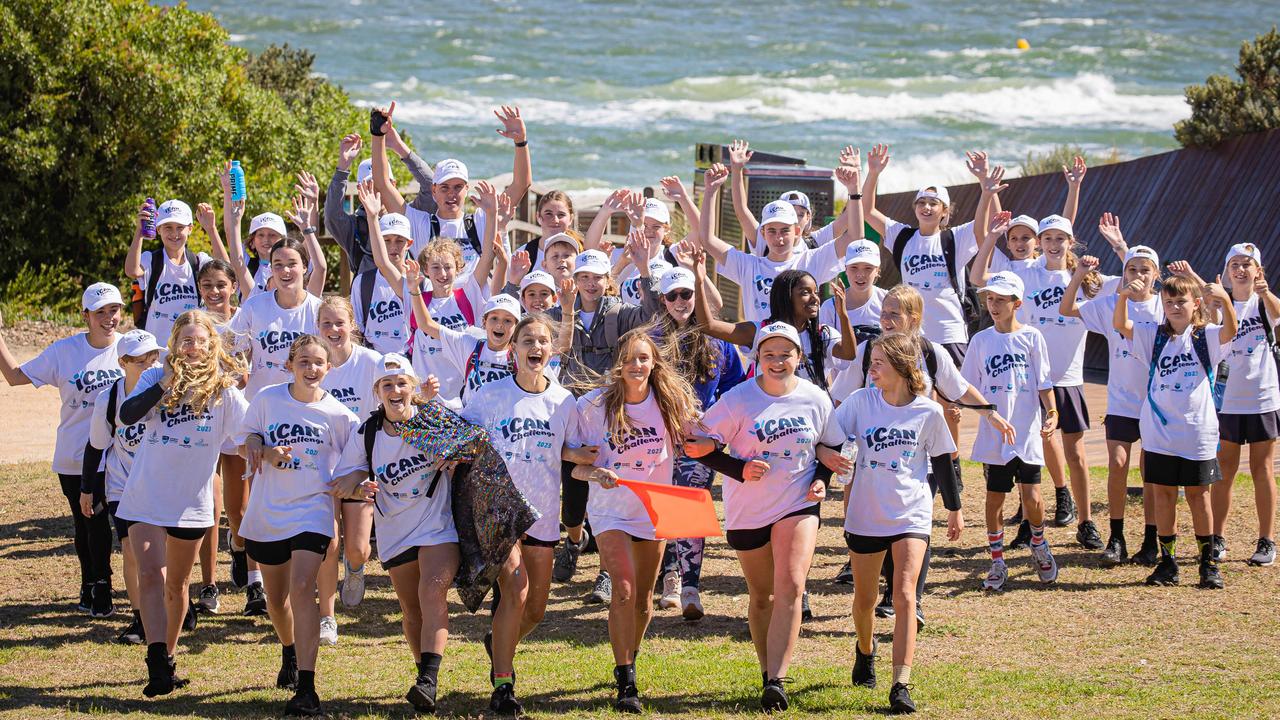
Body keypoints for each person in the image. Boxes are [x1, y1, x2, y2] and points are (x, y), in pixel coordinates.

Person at [828, 284, 1014, 623]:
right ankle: (888, 587)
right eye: (883, 313)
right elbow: (840, 397)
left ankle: (909, 599)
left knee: (916, 525)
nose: (885, 320)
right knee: (880, 525)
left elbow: (959, 388)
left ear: (914, 318)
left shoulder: (931, 352)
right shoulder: (869, 350)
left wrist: (990, 411)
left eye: (894, 314)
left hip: (919, 457)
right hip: (873, 456)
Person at [686, 322, 835, 712]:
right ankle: (767, 670)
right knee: (762, 596)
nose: (777, 361)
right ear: (757, 359)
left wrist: (822, 479)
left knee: (791, 585)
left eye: (786, 354)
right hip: (748, 508)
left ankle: (778, 680)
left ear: (798, 358)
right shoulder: (738, 400)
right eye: (769, 354)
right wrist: (738, 469)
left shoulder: (816, 398)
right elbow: (696, 445)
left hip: (797, 502)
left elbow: (829, 445)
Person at [819, 333, 964, 715]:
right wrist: (828, 468)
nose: (872, 366)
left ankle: (901, 683)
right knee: (864, 600)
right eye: (873, 360)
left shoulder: (928, 412)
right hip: (866, 513)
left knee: (904, 596)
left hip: (911, 514)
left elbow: (945, 461)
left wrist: (954, 508)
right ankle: (865, 650)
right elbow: (829, 440)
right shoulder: (859, 402)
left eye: (880, 361)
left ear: (902, 365)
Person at [114, 310, 248, 697]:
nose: (192, 348)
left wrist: (270, 451)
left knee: (177, 584)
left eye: (199, 341)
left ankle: (169, 656)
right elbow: (126, 416)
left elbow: (245, 435)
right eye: (185, 341)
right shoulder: (156, 377)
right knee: (151, 575)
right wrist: (164, 385)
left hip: (191, 501)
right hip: (146, 494)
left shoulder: (224, 389)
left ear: (211, 344)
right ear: (175, 343)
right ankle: (156, 662)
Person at [461, 315, 589, 714]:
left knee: (534, 609)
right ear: (513, 348)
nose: (536, 347)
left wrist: (591, 465)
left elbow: (569, 452)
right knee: (514, 590)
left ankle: (499, 643)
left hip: (544, 515)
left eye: (543, 341)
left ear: (553, 349)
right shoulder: (488, 395)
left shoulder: (563, 401)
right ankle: (503, 686)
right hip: (501, 514)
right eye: (527, 340)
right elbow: (466, 444)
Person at [571, 329, 702, 713]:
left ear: (654, 363)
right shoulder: (594, 406)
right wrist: (596, 474)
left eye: (643, 358)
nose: (637, 365)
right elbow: (576, 468)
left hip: (652, 509)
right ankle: (626, 678)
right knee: (624, 590)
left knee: (644, 598)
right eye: (629, 358)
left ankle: (631, 649)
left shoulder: (668, 403)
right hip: (610, 510)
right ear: (618, 363)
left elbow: (704, 438)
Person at [331, 354, 458, 715]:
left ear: (413, 388)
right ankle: (425, 679)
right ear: (377, 392)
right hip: (394, 531)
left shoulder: (433, 419)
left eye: (402, 383)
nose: (396, 390)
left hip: (437, 526)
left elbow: (470, 444)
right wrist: (361, 486)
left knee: (432, 591)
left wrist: (456, 456)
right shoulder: (367, 432)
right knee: (411, 610)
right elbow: (343, 481)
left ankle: (428, 679)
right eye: (388, 384)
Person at [239, 334, 358, 716]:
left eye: (318, 362)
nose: (311, 368)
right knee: (277, 600)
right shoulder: (268, 399)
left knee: (303, 586)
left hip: (313, 511)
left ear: (329, 367)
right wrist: (262, 448)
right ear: (290, 364)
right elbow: (245, 439)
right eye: (303, 361)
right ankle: (289, 649)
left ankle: (306, 687)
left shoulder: (340, 415)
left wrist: (355, 480)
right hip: (268, 512)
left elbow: (359, 458)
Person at [547, 236, 664, 597]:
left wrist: (644, 268)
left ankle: (605, 573)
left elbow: (652, 317)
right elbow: (555, 348)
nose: (590, 284)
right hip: (572, 410)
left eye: (597, 277)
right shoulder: (559, 310)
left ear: (607, 279)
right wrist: (566, 311)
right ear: (575, 278)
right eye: (584, 277)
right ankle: (573, 539)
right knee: (573, 492)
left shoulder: (619, 312)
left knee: (607, 486)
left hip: (611, 410)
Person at [0, 282, 123, 615]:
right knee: (85, 523)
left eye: (114, 310)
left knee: (105, 522)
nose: (109, 318)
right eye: (100, 312)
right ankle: (92, 584)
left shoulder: (132, 347)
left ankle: (102, 585)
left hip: (121, 457)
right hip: (76, 456)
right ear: (85, 315)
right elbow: (14, 377)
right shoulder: (64, 352)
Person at [1114, 272, 1237, 587]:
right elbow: (1121, 326)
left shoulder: (1204, 335)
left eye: (1181, 301)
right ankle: (1167, 563)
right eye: (1168, 302)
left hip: (1196, 433)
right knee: (1163, 495)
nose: (1174, 307)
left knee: (1199, 496)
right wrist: (1124, 297)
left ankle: (1207, 565)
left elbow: (1230, 331)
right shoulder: (1154, 336)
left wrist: (1223, 299)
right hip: (1159, 434)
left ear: (1195, 303)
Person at [1062, 226, 1163, 565]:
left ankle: (1151, 539)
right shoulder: (1109, 304)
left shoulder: (1165, 307)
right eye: (1132, 269)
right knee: (1118, 464)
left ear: (1156, 275)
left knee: (1150, 470)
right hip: (1120, 400)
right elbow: (1067, 309)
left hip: (1156, 403)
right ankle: (1116, 537)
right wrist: (1078, 276)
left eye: (1145, 270)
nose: (1137, 275)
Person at [654, 260, 747, 619]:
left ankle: (689, 585)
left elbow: (734, 387)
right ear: (663, 299)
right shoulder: (652, 341)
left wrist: (713, 423)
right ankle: (670, 577)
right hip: (660, 439)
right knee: (666, 505)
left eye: (687, 294)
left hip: (702, 439)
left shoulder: (717, 342)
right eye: (673, 295)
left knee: (690, 503)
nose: (681, 301)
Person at [960, 272, 1059, 591]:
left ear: (1017, 303)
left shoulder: (1032, 337)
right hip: (995, 436)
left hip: (1026, 433)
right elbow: (967, 386)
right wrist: (961, 406)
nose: (994, 305)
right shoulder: (980, 340)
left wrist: (1052, 412)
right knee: (994, 499)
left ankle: (1039, 544)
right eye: (990, 298)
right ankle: (997, 560)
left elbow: (1044, 383)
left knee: (1032, 497)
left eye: (1001, 299)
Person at [371, 101, 530, 287]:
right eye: (445, 188)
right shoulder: (419, 224)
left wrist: (521, 141)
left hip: (475, 312)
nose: (451, 194)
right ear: (434, 190)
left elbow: (521, 184)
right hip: (431, 312)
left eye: (458, 187)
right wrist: (378, 134)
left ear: (467, 190)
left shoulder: (482, 221)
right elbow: (382, 183)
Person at [696, 160, 858, 324]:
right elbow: (708, 239)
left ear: (796, 231)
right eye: (772, 231)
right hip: (760, 348)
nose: (779, 238)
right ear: (763, 234)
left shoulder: (811, 259)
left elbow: (854, 237)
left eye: (785, 230)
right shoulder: (748, 265)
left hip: (801, 349)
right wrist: (710, 190)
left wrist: (854, 189)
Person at [80, 329, 161, 642]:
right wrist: (88, 489)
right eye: (139, 361)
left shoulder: (167, 392)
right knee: (131, 550)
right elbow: (96, 446)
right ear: (123, 362)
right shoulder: (110, 398)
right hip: (122, 485)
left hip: (159, 485)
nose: (148, 366)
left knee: (162, 552)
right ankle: (140, 619)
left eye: (153, 358)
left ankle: (170, 604)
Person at [191, 258, 262, 614]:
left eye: (221, 284)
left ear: (233, 286)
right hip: (200, 423)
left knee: (238, 509)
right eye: (207, 286)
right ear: (199, 289)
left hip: (234, 420)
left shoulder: (244, 321)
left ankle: (247, 566)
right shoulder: (192, 323)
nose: (215, 292)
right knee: (208, 507)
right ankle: (208, 586)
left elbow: (245, 375)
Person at [314, 296, 384, 643]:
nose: (333, 330)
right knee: (328, 543)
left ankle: (354, 569)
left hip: (360, 467)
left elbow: (395, 395)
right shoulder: (315, 364)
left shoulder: (371, 361)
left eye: (339, 323)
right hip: (323, 468)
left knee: (357, 548)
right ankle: (327, 617)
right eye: (326, 323)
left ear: (352, 325)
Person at [1211, 243, 1280, 566]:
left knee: (1262, 469)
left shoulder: (1263, 303)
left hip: (1263, 397)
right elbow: (1208, 327)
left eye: (1247, 264)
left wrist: (1266, 294)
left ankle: (1266, 540)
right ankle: (1217, 538)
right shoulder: (1221, 304)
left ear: (1258, 271)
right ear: (1226, 272)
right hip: (1228, 400)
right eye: (1234, 264)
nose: (1240, 269)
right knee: (1224, 471)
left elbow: (1278, 315)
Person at [225, 236, 326, 400]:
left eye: (292, 264)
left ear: (304, 267)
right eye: (278, 265)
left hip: (305, 404)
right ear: (271, 269)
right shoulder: (253, 306)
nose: (285, 271)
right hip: (260, 403)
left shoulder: (318, 309)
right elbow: (237, 355)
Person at [125, 199, 211, 343]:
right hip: (156, 352)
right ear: (158, 229)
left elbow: (227, 270)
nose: (174, 233)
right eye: (168, 227)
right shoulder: (151, 260)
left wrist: (212, 229)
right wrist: (139, 232)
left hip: (192, 351)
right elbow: (132, 271)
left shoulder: (198, 262)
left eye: (180, 227)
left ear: (190, 229)